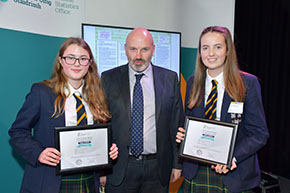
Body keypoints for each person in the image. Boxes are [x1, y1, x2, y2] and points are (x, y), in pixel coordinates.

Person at [9, 37, 118, 193]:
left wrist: (110, 147)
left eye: (82, 59)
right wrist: (38, 153)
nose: (76, 64)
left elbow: (104, 133)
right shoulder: (42, 92)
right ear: (61, 61)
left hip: (88, 181)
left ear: (89, 63)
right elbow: (17, 132)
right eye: (70, 58)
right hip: (51, 181)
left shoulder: (98, 96)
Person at [176, 26, 269, 193]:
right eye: (205, 48)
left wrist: (232, 157)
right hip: (197, 171)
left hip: (234, 174)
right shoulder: (192, 82)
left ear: (227, 50)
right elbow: (189, 121)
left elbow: (259, 133)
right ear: (200, 52)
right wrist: (184, 134)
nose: (211, 53)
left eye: (217, 47)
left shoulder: (247, 84)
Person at [101, 27, 184, 193]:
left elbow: (177, 125)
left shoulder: (169, 78)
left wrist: (177, 164)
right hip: (120, 168)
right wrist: (103, 168)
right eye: (133, 49)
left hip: (158, 167)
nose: (138, 56)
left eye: (144, 49)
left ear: (153, 50)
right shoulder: (108, 78)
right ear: (125, 49)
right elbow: (102, 124)